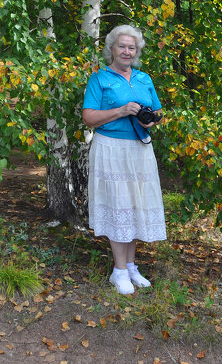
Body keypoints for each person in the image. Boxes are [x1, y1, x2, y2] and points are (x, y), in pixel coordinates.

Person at [82, 24, 166, 295]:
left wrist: (152, 119)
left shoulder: (144, 78)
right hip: (111, 149)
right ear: (112, 49)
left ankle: (130, 267)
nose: (127, 51)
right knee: (119, 206)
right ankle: (118, 272)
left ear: (137, 51)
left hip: (140, 149)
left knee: (135, 206)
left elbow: (159, 110)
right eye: (122, 46)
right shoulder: (99, 79)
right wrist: (120, 111)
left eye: (132, 47)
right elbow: (88, 117)